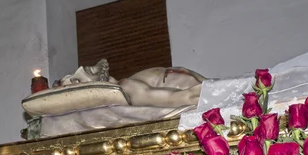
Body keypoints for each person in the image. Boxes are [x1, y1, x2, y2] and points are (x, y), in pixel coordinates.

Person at [56, 59, 206, 108]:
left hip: (194, 81)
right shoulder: (126, 88)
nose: (80, 69)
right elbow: (175, 98)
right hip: (196, 88)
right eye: (75, 80)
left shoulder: (125, 83)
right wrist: (213, 92)